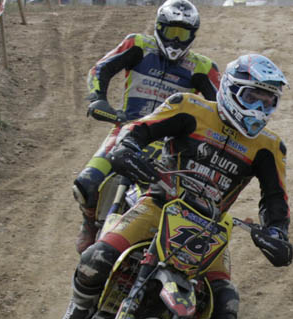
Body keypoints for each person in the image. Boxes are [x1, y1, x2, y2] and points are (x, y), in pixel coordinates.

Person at [55, 53, 293, 319]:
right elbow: (140, 130)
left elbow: (275, 200)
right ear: (230, 90)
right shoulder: (190, 107)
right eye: (252, 98)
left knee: (226, 300)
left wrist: (277, 233)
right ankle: (77, 315)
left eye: (268, 102)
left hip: (210, 229)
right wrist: (127, 150)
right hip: (160, 202)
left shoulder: (269, 146)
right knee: (98, 258)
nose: (259, 110)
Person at [71, 0, 221, 254]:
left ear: (193, 35)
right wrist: (98, 98)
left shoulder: (203, 67)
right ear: (159, 28)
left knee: (169, 201)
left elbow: (219, 109)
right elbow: (100, 69)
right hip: (127, 130)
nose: (175, 40)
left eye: (182, 33)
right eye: (171, 31)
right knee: (85, 184)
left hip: (169, 146)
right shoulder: (138, 44)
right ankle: (89, 221)